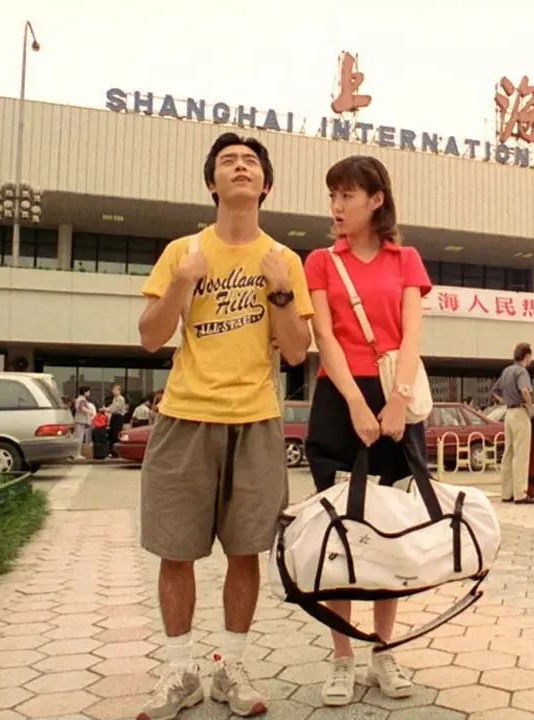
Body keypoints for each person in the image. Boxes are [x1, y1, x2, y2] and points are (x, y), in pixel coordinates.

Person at [134, 133, 314, 720]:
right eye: (228, 162)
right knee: (175, 550)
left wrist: (279, 291)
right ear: (211, 182)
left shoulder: (283, 260)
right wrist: (184, 281)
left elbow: (296, 351)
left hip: (255, 420)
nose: (240, 167)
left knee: (246, 551)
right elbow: (150, 336)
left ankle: (230, 667)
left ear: (266, 185)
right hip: (184, 416)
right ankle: (178, 671)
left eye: (251, 162)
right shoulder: (182, 250)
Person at [302, 155, 429, 707]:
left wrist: (397, 402)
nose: (336, 206)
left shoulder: (406, 259)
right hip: (339, 401)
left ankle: (383, 650)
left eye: (347, 195)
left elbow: (412, 334)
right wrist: (356, 403)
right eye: (333, 195)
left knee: (389, 530)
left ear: (376, 200)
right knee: (340, 532)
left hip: (395, 397)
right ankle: (341, 657)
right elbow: (323, 337)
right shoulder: (321, 261)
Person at [492, 342, 534, 504]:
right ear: (527, 356)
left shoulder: (506, 371)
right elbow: (524, 389)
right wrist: (529, 404)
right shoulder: (521, 371)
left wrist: (505, 400)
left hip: (508, 413)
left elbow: (495, 391)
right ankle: (520, 493)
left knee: (508, 453)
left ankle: (506, 492)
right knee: (521, 453)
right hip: (519, 412)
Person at [105, 383, 128, 459]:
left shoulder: (121, 399)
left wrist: (106, 409)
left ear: (119, 391)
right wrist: (107, 409)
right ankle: (111, 451)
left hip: (118, 417)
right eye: (113, 389)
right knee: (111, 434)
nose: (113, 391)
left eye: (115, 390)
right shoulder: (115, 398)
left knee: (116, 434)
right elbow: (112, 407)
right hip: (114, 416)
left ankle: (116, 451)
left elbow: (115, 408)